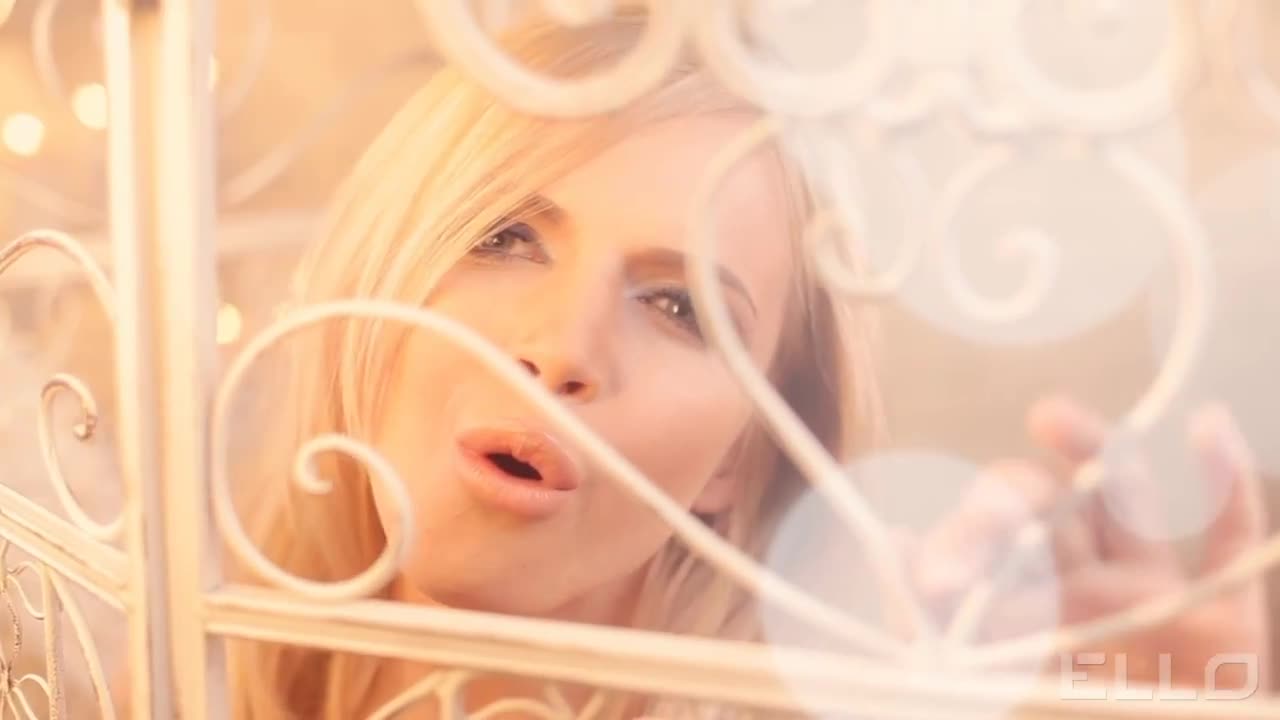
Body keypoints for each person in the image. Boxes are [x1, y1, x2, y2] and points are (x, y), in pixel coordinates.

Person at [225, 7, 1270, 719]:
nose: (563, 349)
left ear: (737, 460)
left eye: (680, 308)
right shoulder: (179, 663)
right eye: (505, 237)